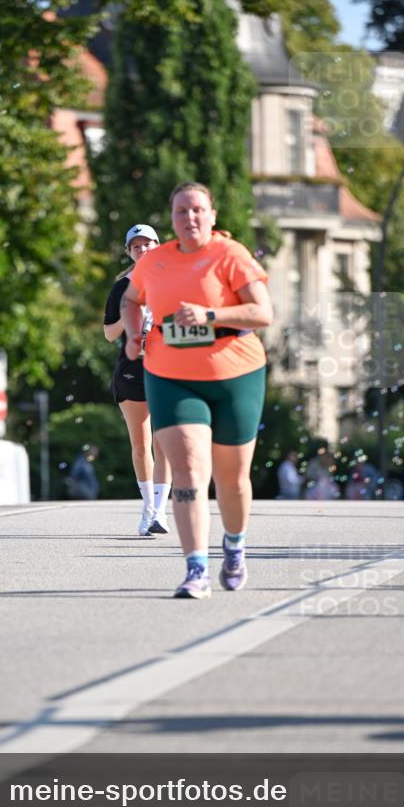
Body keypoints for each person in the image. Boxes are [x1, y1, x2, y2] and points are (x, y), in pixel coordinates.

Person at [121, 182, 273, 598]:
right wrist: (134, 334)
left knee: (233, 478)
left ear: (212, 215)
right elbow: (130, 301)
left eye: (197, 210)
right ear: (171, 219)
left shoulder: (231, 255)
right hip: (171, 375)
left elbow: (263, 312)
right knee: (188, 468)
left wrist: (209, 314)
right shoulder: (155, 262)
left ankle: (235, 544)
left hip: (235, 374)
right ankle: (196, 568)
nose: (189, 218)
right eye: (180, 212)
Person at [104, 224, 171, 536]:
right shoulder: (122, 287)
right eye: (136, 246)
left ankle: (161, 511)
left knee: (165, 442)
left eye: (147, 245)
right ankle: (147, 508)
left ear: (157, 246)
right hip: (132, 369)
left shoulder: (171, 281)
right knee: (141, 443)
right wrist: (133, 315)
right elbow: (109, 334)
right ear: (129, 251)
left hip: (167, 368)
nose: (142, 250)